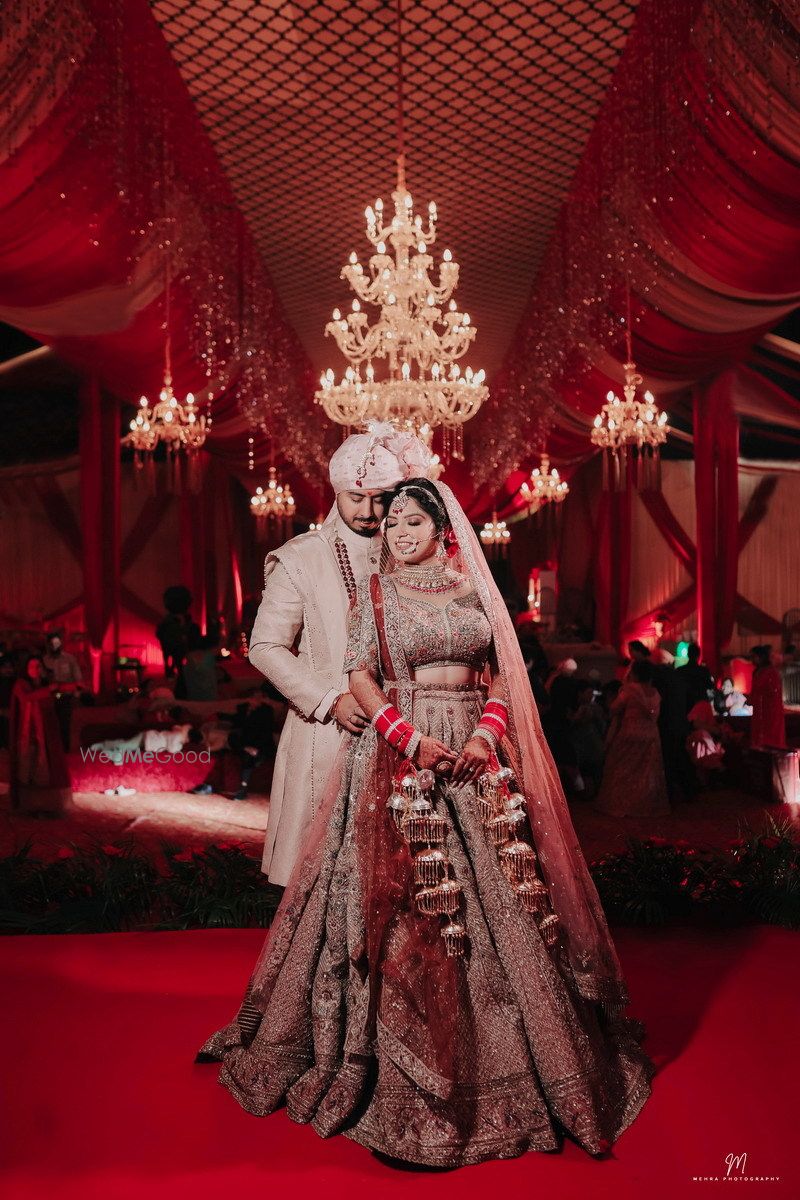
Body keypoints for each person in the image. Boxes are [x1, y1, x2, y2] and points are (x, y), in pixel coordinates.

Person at [197, 478, 654, 1166]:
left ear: (443, 528)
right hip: (401, 758)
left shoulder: (473, 590)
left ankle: (538, 1070)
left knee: (507, 904)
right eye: (392, 523)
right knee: (409, 909)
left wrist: (484, 738)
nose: (398, 532)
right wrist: (408, 739)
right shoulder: (377, 593)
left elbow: (498, 676)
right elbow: (359, 674)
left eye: (413, 521)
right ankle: (405, 1077)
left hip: (474, 756)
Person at [248, 424, 432, 887]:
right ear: (336, 493)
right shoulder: (301, 557)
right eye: (356, 498)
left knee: (403, 878)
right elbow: (265, 646)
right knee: (321, 879)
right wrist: (330, 700)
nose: (368, 512)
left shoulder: (412, 551)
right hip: (328, 730)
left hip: (406, 731)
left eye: (381, 499)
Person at [594, 659, 670, 818]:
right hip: (651, 736)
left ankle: (622, 805)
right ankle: (643, 806)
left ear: (634, 673)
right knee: (646, 773)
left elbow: (614, 708)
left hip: (630, 733)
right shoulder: (656, 693)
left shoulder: (630, 690)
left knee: (623, 770)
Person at [749, 644, 786, 749]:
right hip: (758, 710)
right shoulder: (757, 672)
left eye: (754, 656)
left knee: (771, 736)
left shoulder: (771, 672)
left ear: (761, 657)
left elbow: (773, 692)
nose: (752, 659)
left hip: (770, 711)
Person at [678, 643, 715, 713]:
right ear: (698, 655)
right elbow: (710, 686)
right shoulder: (704, 671)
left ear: (688, 654)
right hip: (699, 705)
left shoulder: (680, 671)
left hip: (684, 705)